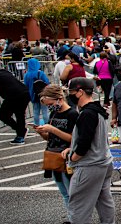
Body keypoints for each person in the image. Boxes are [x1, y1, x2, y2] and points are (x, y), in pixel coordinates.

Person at [61, 78, 115, 223]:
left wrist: (73, 157)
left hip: (90, 165)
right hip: (103, 161)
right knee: (104, 201)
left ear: (80, 92)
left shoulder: (87, 114)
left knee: (79, 205)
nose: (69, 95)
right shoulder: (98, 110)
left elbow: (85, 142)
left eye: (70, 92)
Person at [37, 85, 78, 221]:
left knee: (72, 193)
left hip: (67, 158)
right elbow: (50, 137)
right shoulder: (53, 114)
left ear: (59, 99)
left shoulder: (72, 114)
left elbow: (74, 139)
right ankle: (72, 218)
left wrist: (53, 130)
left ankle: (76, 219)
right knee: (65, 193)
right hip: (53, 156)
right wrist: (43, 133)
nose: (49, 107)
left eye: (50, 104)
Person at [23, 58, 50, 126]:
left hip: (33, 94)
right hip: (42, 94)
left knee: (35, 111)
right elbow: (47, 82)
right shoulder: (40, 73)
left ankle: (36, 124)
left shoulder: (26, 75)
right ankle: (47, 124)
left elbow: (25, 85)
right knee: (45, 111)